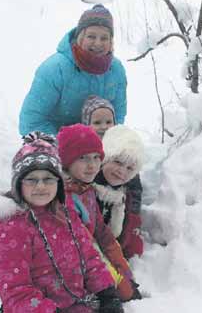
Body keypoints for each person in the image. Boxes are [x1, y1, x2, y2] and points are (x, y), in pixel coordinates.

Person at [0, 132, 123, 313]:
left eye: (48, 179)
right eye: (32, 179)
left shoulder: (65, 212)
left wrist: (106, 292)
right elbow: (16, 291)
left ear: (58, 183)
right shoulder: (12, 227)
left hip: (77, 303)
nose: (41, 186)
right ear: (18, 184)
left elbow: (88, 256)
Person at [57, 124, 140, 302]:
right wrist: (118, 287)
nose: (92, 165)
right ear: (67, 160)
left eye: (96, 157)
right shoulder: (65, 198)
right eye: (83, 158)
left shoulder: (86, 189)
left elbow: (104, 235)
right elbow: (87, 247)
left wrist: (126, 277)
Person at [19, 4, 127, 136]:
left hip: (96, 146)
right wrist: (67, 144)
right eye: (91, 37)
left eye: (104, 38)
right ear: (80, 37)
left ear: (111, 42)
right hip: (55, 142)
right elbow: (31, 122)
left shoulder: (116, 70)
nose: (98, 43)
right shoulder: (54, 69)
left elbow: (118, 116)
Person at [93, 125, 145, 260]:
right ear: (104, 159)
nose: (122, 171)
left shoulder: (126, 193)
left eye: (129, 168)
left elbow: (130, 223)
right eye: (117, 162)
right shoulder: (88, 187)